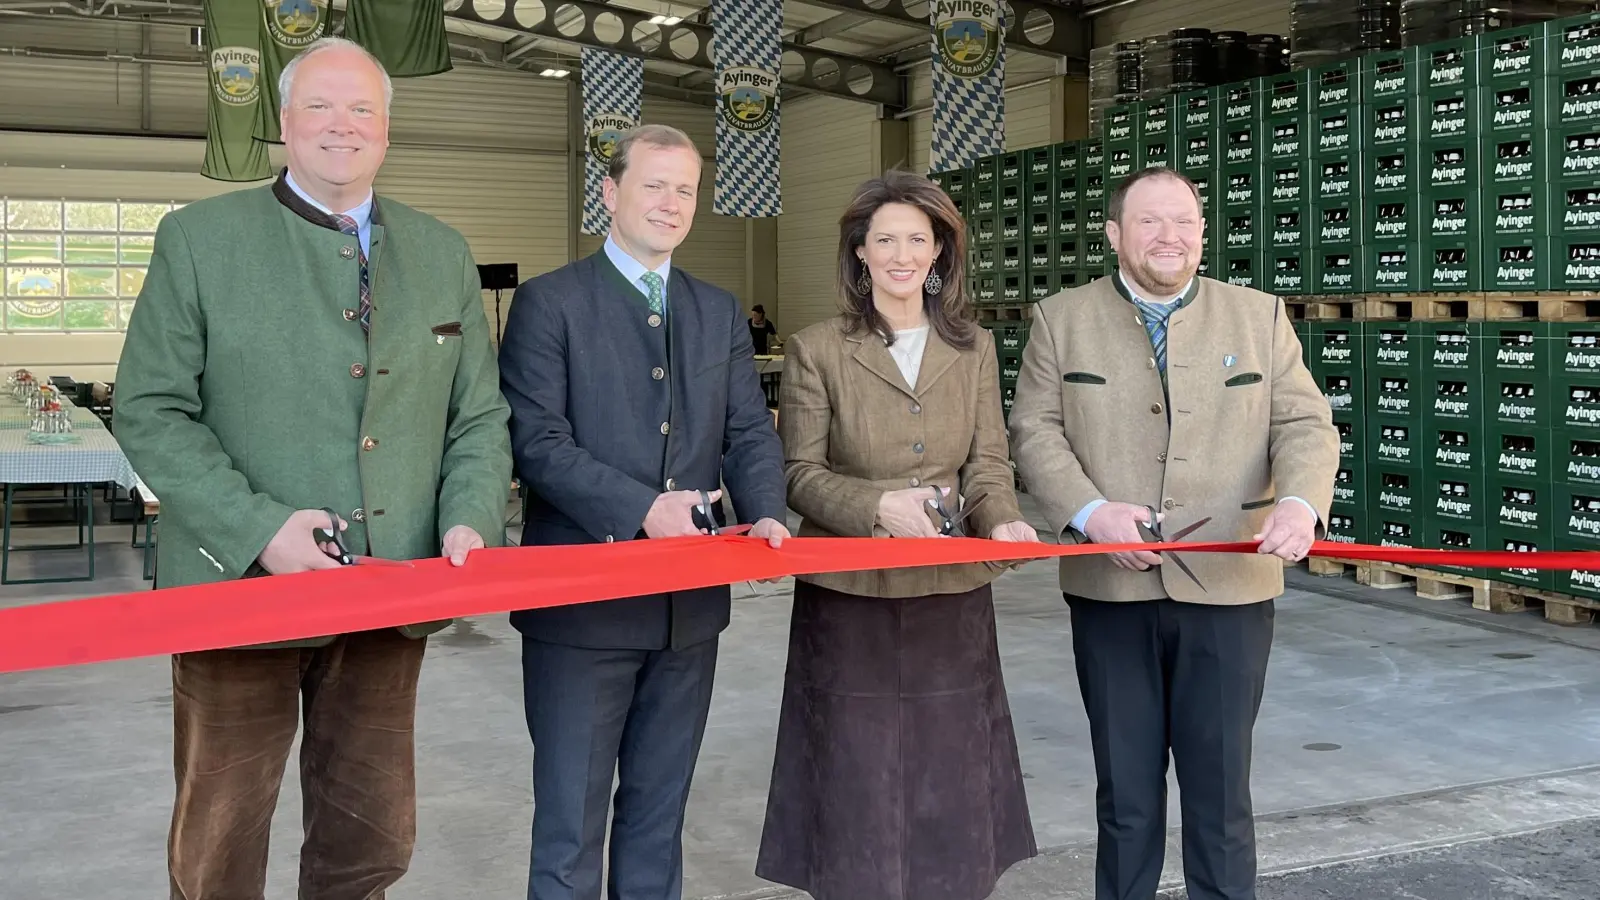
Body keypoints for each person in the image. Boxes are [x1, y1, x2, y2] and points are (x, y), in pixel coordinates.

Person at [112, 36, 513, 900]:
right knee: (219, 837)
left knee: (367, 837)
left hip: (388, 589)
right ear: (284, 124)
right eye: (322, 107)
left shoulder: (442, 252)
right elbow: (150, 408)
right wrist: (259, 528)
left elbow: (477, 414)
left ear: (388, 130)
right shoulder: (198, 241)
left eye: (363, 108)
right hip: (237, 591)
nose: (344, 125)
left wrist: (469, 512)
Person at [1008, 165, 1339, 900]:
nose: (1171, 237)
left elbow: (1303, 423)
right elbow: (1034, 430)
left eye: (1185, 222)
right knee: (1125, 801)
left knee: (1222, 800)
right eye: (1151, 222)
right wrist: (1091, 514)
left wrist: (1299, 503)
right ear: (1114, 235)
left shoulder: (1258, 316)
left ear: (1203, 233)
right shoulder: (1061, 319)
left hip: (1232, 588)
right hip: (1110, 591)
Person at [497, 123, 790, 900]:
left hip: (687, 617)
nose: (670, 202)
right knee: (570, 826)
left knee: (658, 823)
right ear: (610, 194)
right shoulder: (550, 304)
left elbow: (747, 430)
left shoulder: (717, 310)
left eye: (685, 189)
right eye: (653, 184)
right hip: (580, 617)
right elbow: (538, 442)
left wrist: (766, 511)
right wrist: (641, 509)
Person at [755, 169, 1039, 900]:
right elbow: (798, 472)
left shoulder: (972, 348)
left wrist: (1002, 517)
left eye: (919, 238)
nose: (902, 254)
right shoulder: (816, 349)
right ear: (859, 253)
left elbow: (987, 462)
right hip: (850, 600)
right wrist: (877, 507)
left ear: (941, 252)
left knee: (951, 765)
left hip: (952, 592)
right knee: (856, 768)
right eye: (885, 239)